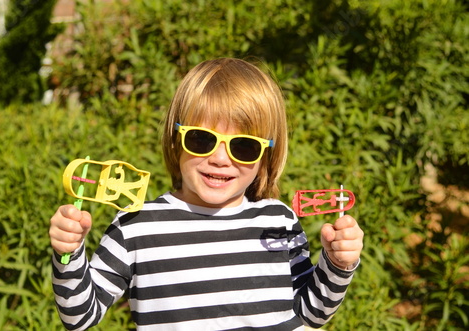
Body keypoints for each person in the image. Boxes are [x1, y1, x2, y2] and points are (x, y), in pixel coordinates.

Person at [50, 58, 364, 330]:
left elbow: (313, 312)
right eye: (201, 140)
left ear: (266, 155)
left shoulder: (277, 220)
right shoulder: (137, 227)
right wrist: (69, 253)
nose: (220, 158)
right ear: (175, 139)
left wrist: (337, 264)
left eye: (244, 146)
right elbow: (79, 317)